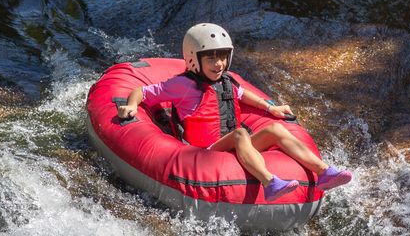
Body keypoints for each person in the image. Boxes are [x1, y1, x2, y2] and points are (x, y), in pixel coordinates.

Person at [116, 23, 352, 201]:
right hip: (205, 151)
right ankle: (270, 183)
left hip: (232, 144)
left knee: (274, 129)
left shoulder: (226, 81)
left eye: (222, 57)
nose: (218, 64)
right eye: (211, 58)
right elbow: (143, 91)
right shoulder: (182, 85)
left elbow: (243, 95)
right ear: (193, 59)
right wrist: (133, 105)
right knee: (240, 134)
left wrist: (271, 107)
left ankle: (323, 172)